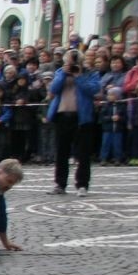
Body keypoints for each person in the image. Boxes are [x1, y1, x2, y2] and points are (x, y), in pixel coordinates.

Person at [47, 48, 103, 196]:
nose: (71, 64)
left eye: (73, 61)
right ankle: (60, 184)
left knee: (83, 153)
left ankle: (82, 185)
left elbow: (94, 90)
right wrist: (64, 74)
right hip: (62, 116)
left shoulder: (90, 73)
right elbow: (53, 89)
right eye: (68, 61)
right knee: (61, 152)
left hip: (82, 117)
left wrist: (78, 77)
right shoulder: (60, 72)